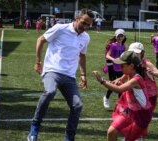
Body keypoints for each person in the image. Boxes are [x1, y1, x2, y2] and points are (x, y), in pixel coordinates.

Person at [27, 8, 94, 141]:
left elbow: (82, 55)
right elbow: (41, 39)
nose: (86, 27)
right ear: (77, 19)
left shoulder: (86, 37)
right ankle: (34, 127)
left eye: (88, 24)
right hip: (52, 71)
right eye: (84, 23)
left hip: (69, 76)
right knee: (50, 91)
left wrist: (83, 75)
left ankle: (69, 137)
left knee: (77, 105)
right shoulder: (60, 28)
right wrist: (38, 62)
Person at [93, 51, 152, 141]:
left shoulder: (136, 79)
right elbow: (118, 82)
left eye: (122, 66)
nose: (120, 68)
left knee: (130, 138)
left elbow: (118, 89)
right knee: (111, 132)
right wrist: (114, 82)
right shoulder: (128, 74)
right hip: (130, 111)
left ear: (131, 66)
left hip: (141, 115)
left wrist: (102, 80)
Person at [128, 42, 158, 113]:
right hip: (137, 94)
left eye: (136, 53)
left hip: (149, 95)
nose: (134, 55)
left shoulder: (147, 63)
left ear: (142, 53)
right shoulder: (131, 64)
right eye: (132, 53)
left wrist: (153, 73)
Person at [103, 29, 126, 109]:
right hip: (112, 66)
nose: (120, 38)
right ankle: (106, 98)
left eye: (121, 36)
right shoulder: (113, 45)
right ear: (115, 37)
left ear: (124, 37)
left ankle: (120, 104)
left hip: (120, 67)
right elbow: (107, 55)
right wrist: (114, 60)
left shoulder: (123, 46)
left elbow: (124, 56)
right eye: (118, 36)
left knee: (121, 84)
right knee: (113, 84)